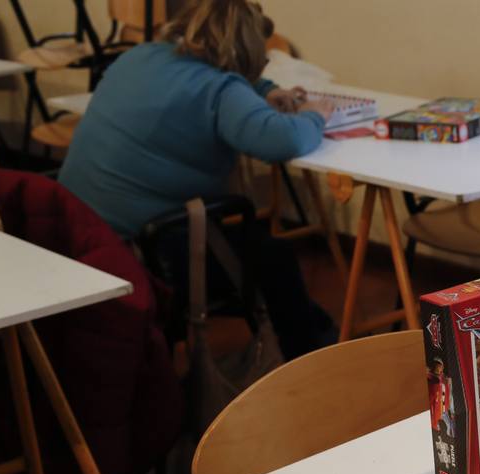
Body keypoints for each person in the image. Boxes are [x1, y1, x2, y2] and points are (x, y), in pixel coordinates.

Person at [59, 0, 337, 358]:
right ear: (247, 47)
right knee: (275, 259)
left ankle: (318, 338)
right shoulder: (220, 90)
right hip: (143, 249)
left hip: (74, 231)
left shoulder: (139, 57)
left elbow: (221, 80)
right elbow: (285, 140)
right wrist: (315, 116)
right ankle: (312, 359)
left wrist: (264, 89)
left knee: (261, 256)